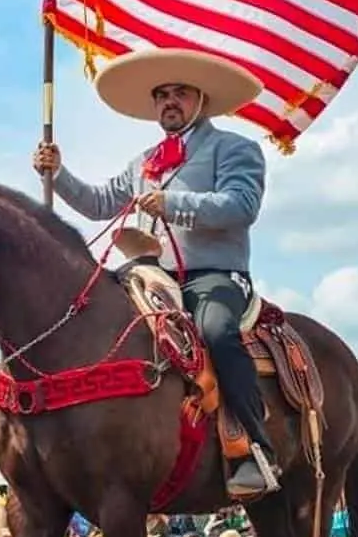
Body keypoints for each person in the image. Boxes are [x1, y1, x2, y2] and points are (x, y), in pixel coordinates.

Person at [32, 47, 277, 496]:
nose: (169, 101)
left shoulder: (235, 149)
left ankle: (251, 446)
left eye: (179, 92)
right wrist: (59, 173)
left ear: (201, 98)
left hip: (212, 276)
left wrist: (174, 203)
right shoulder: (144, 161)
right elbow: (99, 203)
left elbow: (243, 206)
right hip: (149, 276)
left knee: (218, 332)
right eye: (162, 94)